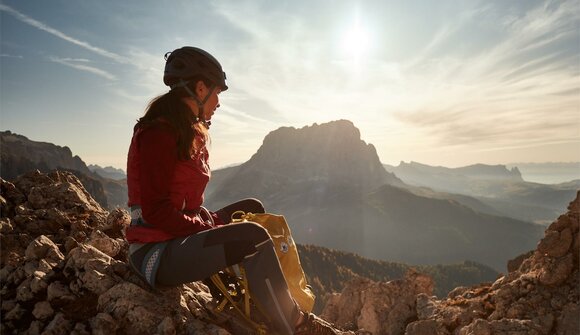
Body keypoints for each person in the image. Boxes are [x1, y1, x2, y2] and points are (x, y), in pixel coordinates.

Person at [125, 46, 343, 335]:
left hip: (174, 238)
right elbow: (156, 211)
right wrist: (205, 225)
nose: (218, 102)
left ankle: (256, 298)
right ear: (199, 88)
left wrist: (208, 221)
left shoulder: (182, 129)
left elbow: (180, 205)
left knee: (253, 207)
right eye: (216, 93)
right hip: (156, 253)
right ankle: (293, 324)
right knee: (253, 237)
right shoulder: (159, 134)